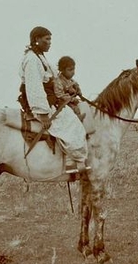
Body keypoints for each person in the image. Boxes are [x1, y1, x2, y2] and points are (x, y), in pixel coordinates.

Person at [18, 26, 89, 173]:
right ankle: (72, 162)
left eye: (51, 39)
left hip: (50, 99)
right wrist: (43, 113)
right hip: (41, 103)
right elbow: (34, 87)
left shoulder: (39, 57)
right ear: (36, 39)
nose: (50, 42)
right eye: (47, 39)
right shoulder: (32, 60)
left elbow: (54, 77)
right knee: (72, 123)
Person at [54, 56, 86, 121]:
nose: (73, 72)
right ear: (62, 70)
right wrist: (72, 99)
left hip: (71, 100)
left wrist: (78, 91)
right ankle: (77, 119)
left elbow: (76, 87)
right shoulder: (58, 81)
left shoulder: (71, 80)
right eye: (70, 70)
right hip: (64, 102)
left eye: (73, 69)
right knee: (72, 110)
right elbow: (60, 95)